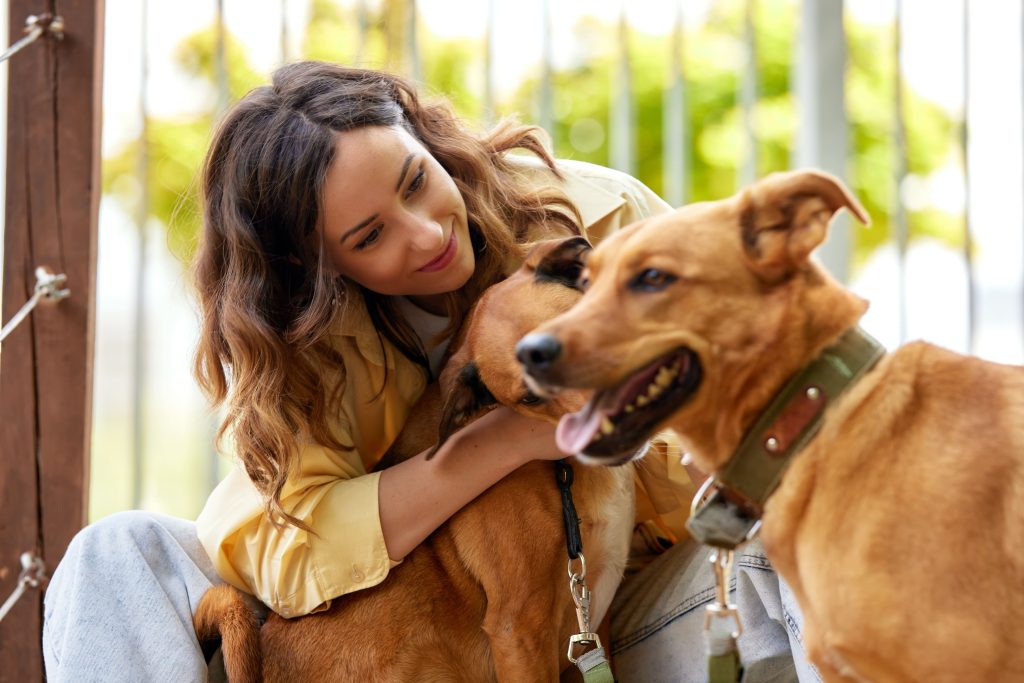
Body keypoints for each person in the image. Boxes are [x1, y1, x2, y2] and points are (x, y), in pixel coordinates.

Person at [42, 61, 815, 682]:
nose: (426, 235)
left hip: (622, 607)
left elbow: (757, 376)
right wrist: (506, 440)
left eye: (416, 180)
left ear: (424, 134)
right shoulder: (305, 339)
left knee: (802, 522)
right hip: (372, 627)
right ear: (319, 266)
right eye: (371, 234)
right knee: (114, 550)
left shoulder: (595, 220)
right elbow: (282, 549)